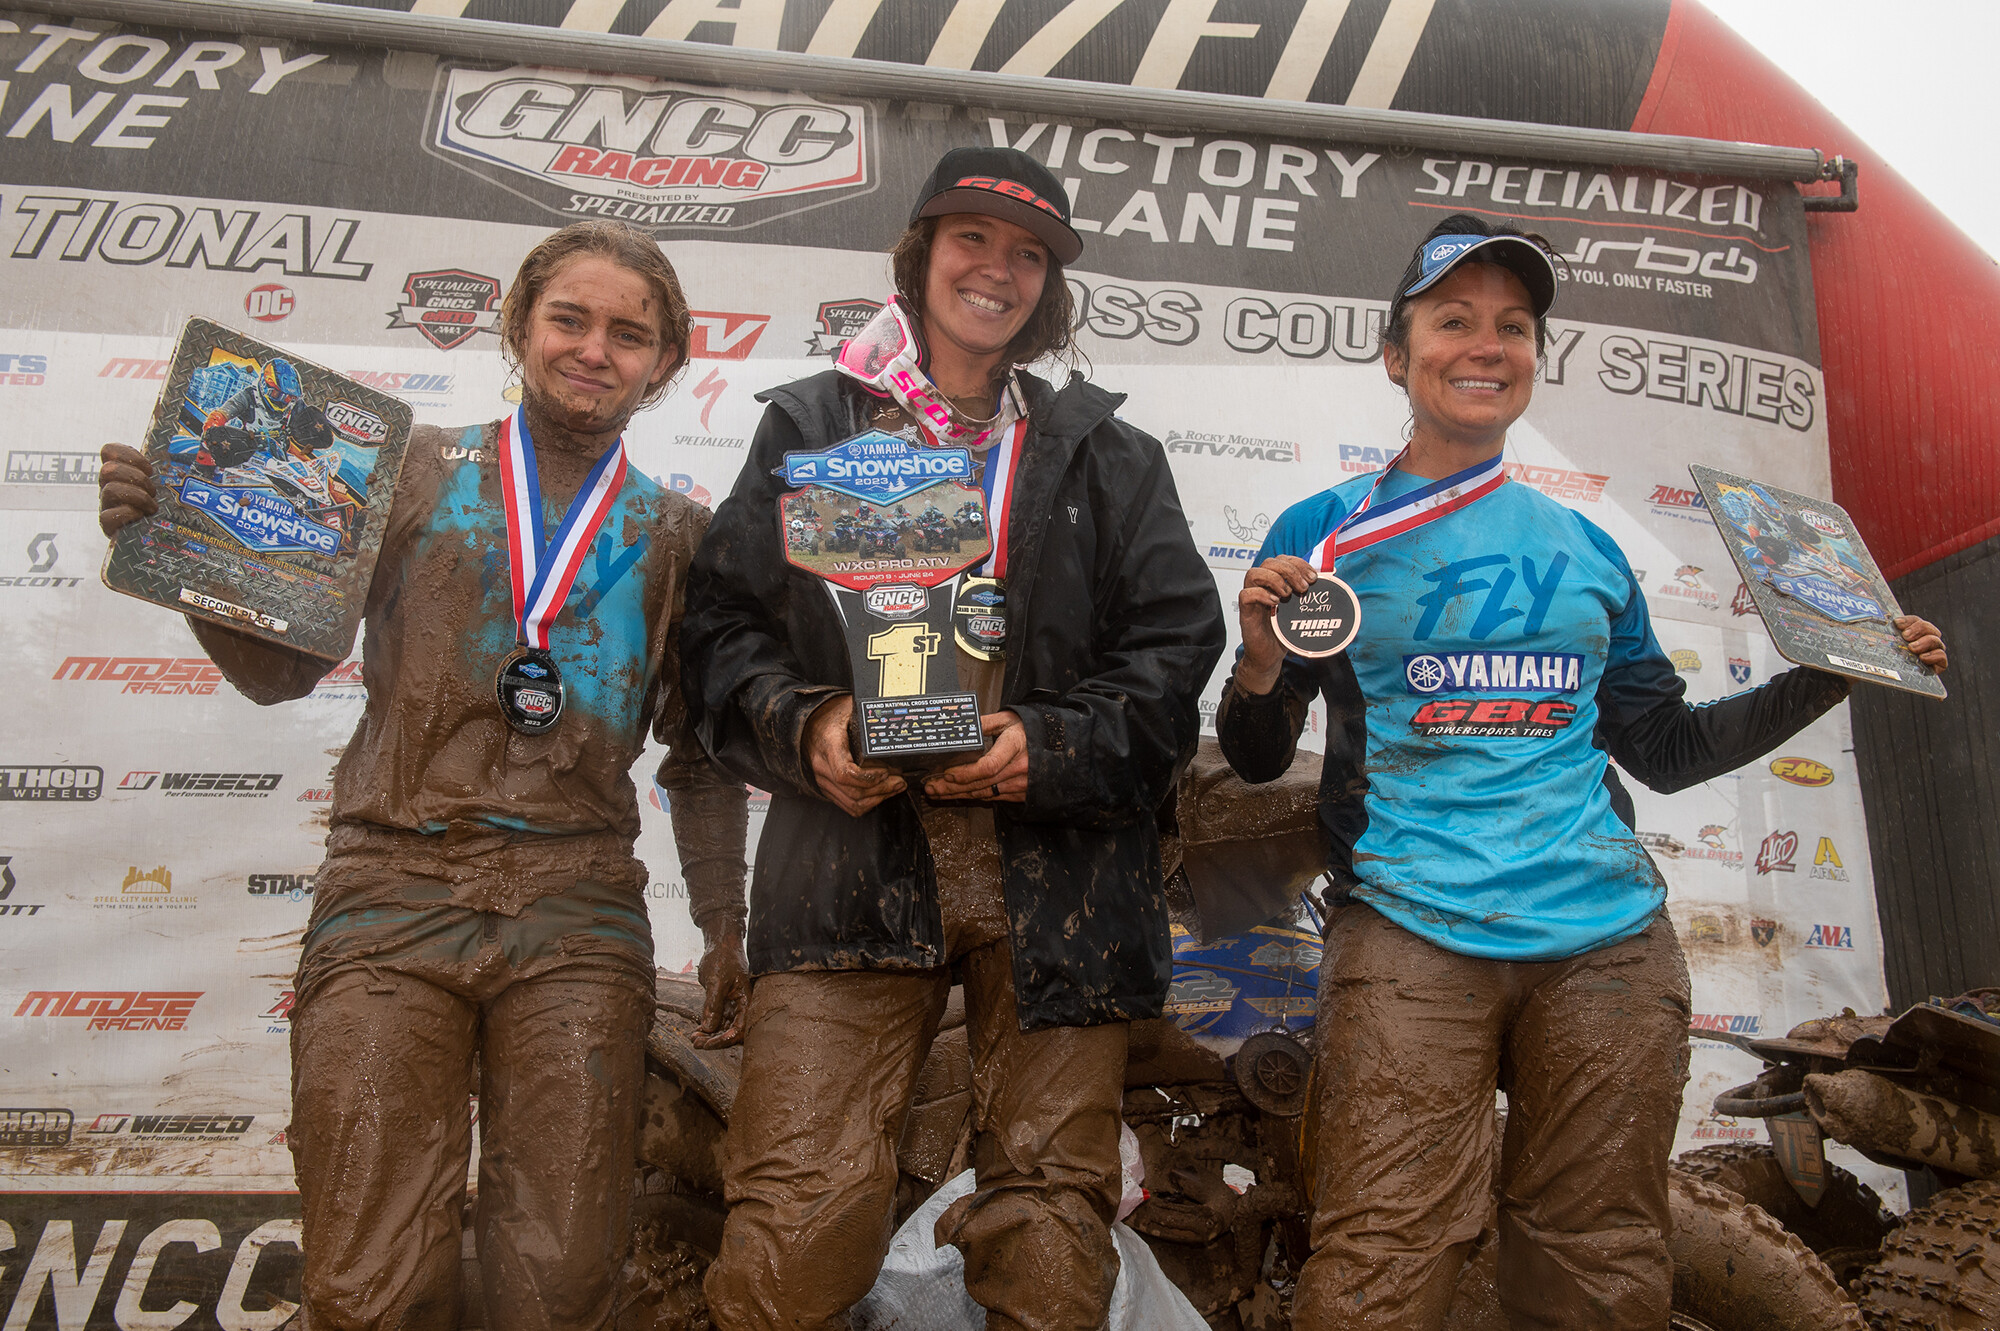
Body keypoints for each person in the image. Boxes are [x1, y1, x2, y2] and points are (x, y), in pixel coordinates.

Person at [1217, 213, 1950, 1330]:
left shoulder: (1588, 547)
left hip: (1606, 942)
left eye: (1511, 325)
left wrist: (1831, 671)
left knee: (1598, 1256)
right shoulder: (1322, 536)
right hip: (1410, 925)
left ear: (1531, 358)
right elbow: (1262, 751)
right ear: (1393, 352)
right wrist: (1260, 661)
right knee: (1381, 1250)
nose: (1484, 343)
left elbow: (1662, 749)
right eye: (1451, 319)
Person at [97, 219, 750, 1331]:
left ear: (666, 364)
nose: (595, 349)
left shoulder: (683, 533)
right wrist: (191, 558)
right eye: (570, 319)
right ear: (518, 326)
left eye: (629, 334)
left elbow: (700, 758)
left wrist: (727, 925)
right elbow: (278, 674)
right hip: (391, 887)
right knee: (369, 1276)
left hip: (578, 907)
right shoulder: (402, 471)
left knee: (559, 1282)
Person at [679, 145, 1226, 1330]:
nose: (998, 269)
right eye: (972, 238)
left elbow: (1176, 650)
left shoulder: (1108, 453)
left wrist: (1052, 742)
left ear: (1051, 288)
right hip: (850, 868)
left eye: (1028, 253)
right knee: (796, 1222)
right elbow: (720, 627)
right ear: (919, 254)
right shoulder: (813, 423)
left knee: (1047, 1225)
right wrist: (806, 725)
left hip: (1062, 877)